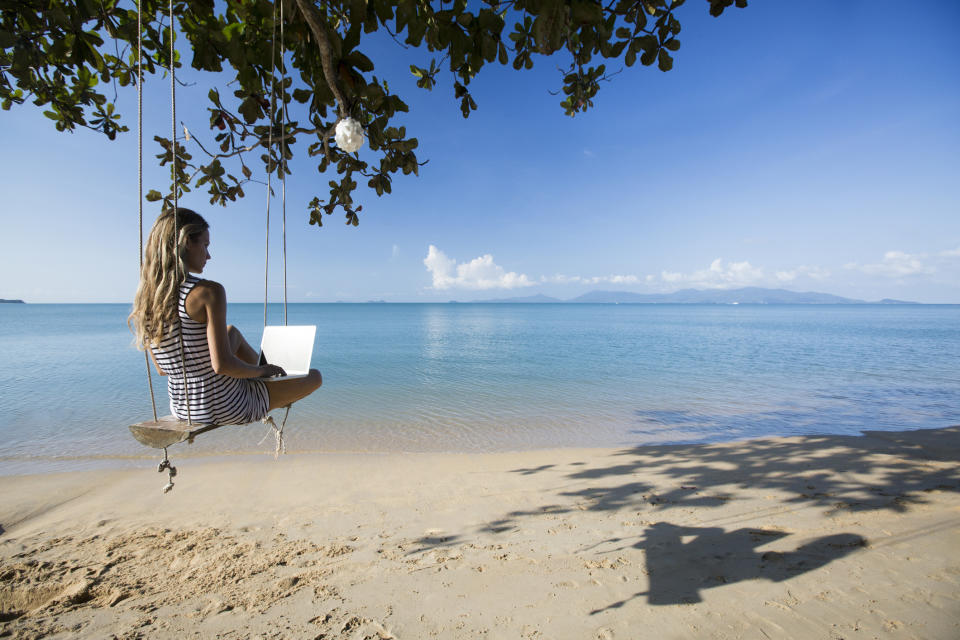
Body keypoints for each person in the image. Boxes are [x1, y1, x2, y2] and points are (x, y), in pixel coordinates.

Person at [129, 207, 321, 425]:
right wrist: (259, 370)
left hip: (183, 408)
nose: (209, 255)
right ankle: (276, 383)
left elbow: (162, 369)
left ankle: (276, 380)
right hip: (224, 406)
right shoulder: (209, 291)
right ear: (186, 243)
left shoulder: (149, 299)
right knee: (315, 376)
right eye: (205, 244)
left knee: (232, 333)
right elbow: (222, 365)